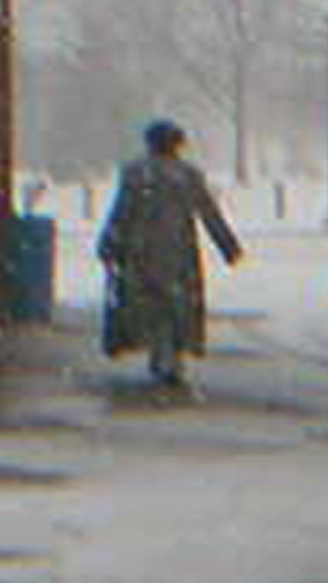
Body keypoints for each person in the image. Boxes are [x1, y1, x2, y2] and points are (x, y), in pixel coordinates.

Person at [96, 120, 244, 387]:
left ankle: (158, 351)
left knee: (149, 305)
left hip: (140, 252)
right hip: (179, 253)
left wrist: (109, 244)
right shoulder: (188, 176)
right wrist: (228, 246)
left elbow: (121, 213)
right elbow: (209, 213)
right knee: (176, 306)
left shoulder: (135, 173)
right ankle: (171, 355)